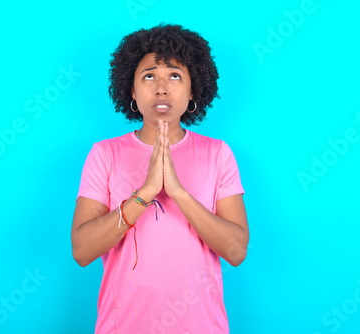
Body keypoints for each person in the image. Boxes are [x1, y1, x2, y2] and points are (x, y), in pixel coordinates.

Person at [71, 24, 249, 333]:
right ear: (131, 89)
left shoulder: (218, 154)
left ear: (193, 89)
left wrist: (178, 192)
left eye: (175, 76)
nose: (161, 88)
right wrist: (145, 193)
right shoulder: (105, 154)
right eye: (149, 76)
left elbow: (235, 251)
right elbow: (82, 251)